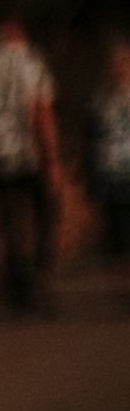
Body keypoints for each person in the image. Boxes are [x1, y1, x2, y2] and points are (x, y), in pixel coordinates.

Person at [0, 20, 62, 312]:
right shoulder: (31, 62)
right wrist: (51, 158)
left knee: (8, 221)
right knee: (46, 213)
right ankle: (38, 273)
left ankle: (15, 279)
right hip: (28, 153)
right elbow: (40, 111)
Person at [85, 38, 130, 269]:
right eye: (116, 65)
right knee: (116, 230)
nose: (120, 70)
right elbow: (91, 137)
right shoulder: (99, 99)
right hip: (110, 171)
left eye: (125, 64)